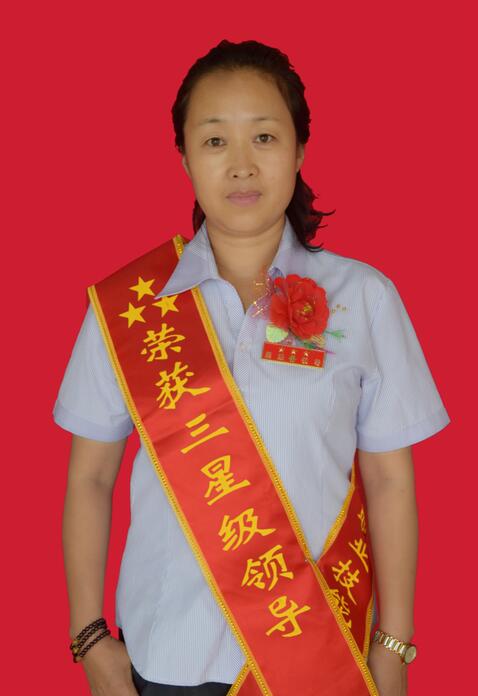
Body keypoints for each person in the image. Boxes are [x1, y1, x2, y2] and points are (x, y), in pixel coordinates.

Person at [54, 39, 450, 696]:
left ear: (299, 150)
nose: (241, 165)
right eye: (215, 141)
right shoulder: (130, 308)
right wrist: (89, 637)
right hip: (167, 657)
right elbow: (90, 478)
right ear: (184, 157)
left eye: (264, 137)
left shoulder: (363, 297)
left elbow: (389, 482)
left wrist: (394, 645)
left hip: (322, 656)